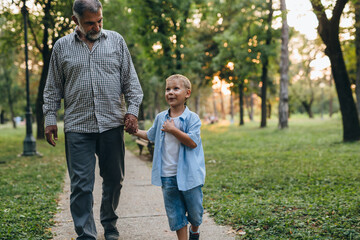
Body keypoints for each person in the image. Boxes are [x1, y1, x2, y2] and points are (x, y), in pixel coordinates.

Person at [43, 0, 143, 239]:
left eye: (99, 21)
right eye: (90, 23)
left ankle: (109, 223)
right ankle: (86, 234)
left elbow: (131, 83)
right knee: (81, 185)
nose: (96, 26)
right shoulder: (61, 47)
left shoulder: (117, 41)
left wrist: (133, 111)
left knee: (114, 181)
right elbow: (52, 87)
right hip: (78, 126)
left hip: (111, 124)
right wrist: (49, 117)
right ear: (75, 20)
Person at [133, 74, 205, 240]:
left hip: (190, 175)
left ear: (187, 93)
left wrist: (174, 130)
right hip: (167, 175)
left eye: (175, 88)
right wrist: (135, 131)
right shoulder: (161, 118)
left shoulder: (192, 118)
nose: (170, 92)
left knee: (195, 211)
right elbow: (151, 135)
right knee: (176, 214)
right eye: (167, 89)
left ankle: (195, 230)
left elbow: (193, 142)